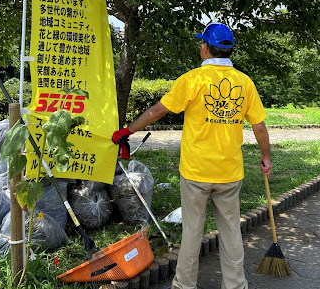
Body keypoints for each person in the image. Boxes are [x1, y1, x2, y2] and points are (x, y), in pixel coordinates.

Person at [112, 22, 272, 289]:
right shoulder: (245, 83)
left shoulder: (192, 80)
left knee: (192, 233)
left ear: (206, 48)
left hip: (195, 173)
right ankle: (235, 285)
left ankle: (184, 285)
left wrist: (127, 130)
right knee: (231, 232)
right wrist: (265, 157)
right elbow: (259, 126)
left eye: (202, 44)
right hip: (229, 173)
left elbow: (156, 112)